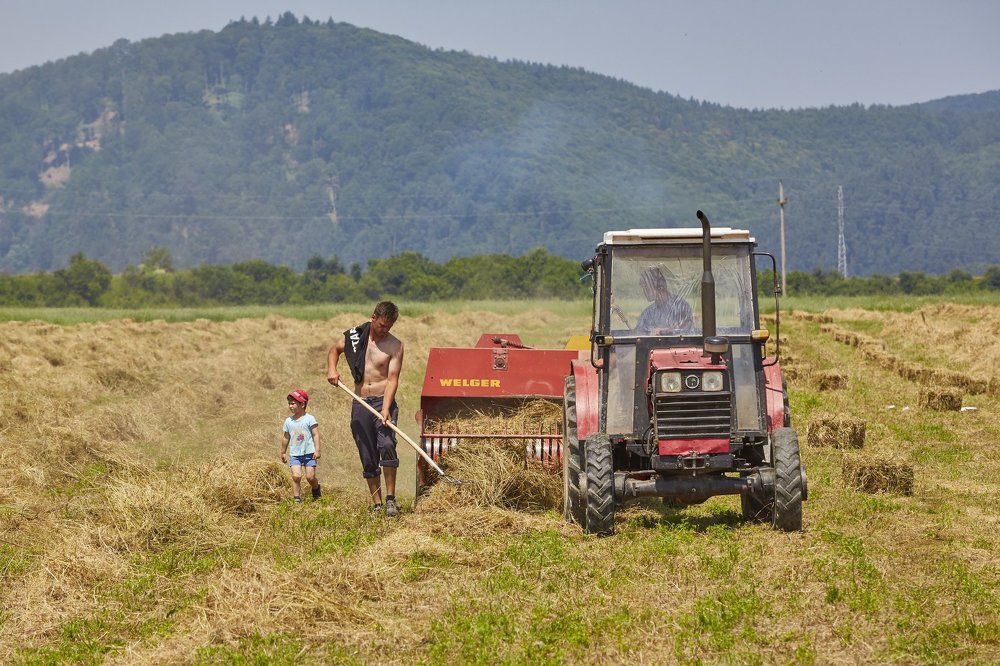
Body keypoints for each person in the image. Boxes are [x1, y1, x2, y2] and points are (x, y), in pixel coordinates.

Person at [327, 301, 404, 517]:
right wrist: (332, 370)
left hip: (382, 402)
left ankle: (390, 499)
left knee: (387, 444)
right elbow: (334, 350)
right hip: (360, 402)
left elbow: (392, 380)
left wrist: (387, 409)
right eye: (381, 325)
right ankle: (377, 504)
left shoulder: (395, 346)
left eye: (389, 327)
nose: (384, 330)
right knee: (367, 454)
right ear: (373, 318)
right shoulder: (355, 337)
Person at [280, 388, 321, 503]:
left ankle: (316, 488)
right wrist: (283, 452)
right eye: (289, 403)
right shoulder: (288, 421)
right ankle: (297, 499)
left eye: (293, 403)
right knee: (296, 476)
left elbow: (315, 434)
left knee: (310, 477)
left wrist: (317, 450)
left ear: (302, 404)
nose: (290, 406)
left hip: (309, 453)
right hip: (295, 454)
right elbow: (285, 437)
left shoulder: (309, 419)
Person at [635, 266, 694, 335]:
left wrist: (664, 332)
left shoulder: (680, 306)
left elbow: (687, 332)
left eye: (646, 287)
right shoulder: (648, 313)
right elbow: (638, 334)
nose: (644, 291)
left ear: (658, 285)